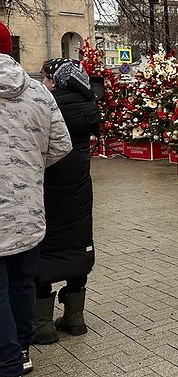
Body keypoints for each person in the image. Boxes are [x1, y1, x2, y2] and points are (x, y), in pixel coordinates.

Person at [0, 22, 72, 377]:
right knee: (22, 283)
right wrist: (29, 168)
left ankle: (7, 361)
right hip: (27, 209)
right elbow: (62, 144)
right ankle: (22, 350)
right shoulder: (39, 91)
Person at [32, 59, 99, 345]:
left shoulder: (46, 105)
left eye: (47, 78)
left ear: (57, 81)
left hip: (46, 189)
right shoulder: (89, 107)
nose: (44, 83)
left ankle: (42, 325)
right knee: (78, 243)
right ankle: (75, 318)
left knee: (44, 249)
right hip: (79, 190)